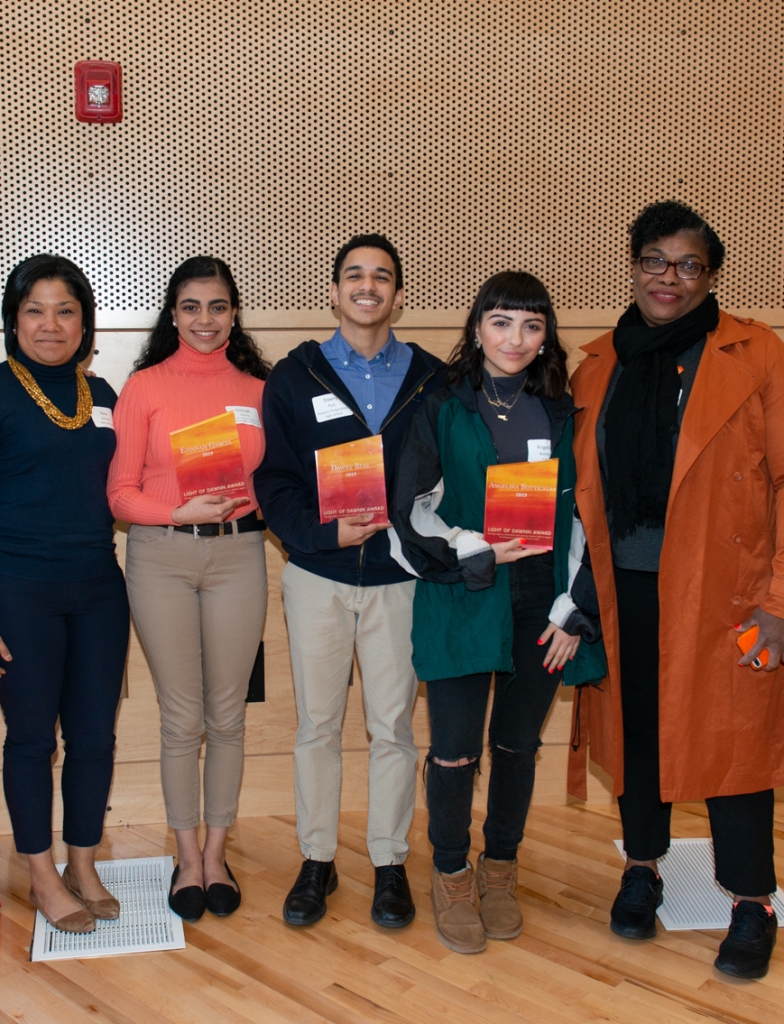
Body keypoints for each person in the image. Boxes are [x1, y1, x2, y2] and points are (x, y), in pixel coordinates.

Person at [570, 200, 783, 979]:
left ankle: (752, 902)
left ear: (711, 275)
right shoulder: (600, 363)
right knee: (638, 732)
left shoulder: (756, 354)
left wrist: (779, 603)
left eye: (689, 264)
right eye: (656, 260)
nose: (670, 277)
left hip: (727, 592)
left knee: (734, 743)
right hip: (625, 585)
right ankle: (642, 869)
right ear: (633, 266)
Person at [391, 271, 606, 953]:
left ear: (546, 336)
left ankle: (501, 867)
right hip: (463, 592)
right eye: (502, 321)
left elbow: (593, 516)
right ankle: (452, 872)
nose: (516, 338)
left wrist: (575, 610)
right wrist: (475, 547)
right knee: (454, 751)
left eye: (531, 325)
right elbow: (409, 511)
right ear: (477, 328)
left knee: (517, 746)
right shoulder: (441, 405)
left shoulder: (565, 412)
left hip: (542, 602)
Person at [254, 234, 444, 929]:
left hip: (399, 578)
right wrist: (319, 534)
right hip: (317, 574)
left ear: (399, 295)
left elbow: (448, 478)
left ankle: (390, 862)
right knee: (317, 725)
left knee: (393, 726)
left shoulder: (431, 378)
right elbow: (273, 480)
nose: (368, 286)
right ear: (333, 292)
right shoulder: (294, 376)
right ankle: (317, 859)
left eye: (382, 276)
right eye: (355, 275)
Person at [0, 254, 129, 934]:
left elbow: (128, 486)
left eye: (65, 311)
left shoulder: (103, 395)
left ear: (85, 324)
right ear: (13, 320)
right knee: (30, 740)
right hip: (17, 592)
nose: (50, 325)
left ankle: (83, 863)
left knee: (94, 737)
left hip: (99, 590)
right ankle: (42, 874)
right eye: (35, 311)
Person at [108, 256, 269, 921]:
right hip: (162, 558)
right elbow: (120, 494)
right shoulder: (144, 387)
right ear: (173, 315)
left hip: (239, 557)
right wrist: (177, 511)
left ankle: (217, 854)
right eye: (192, 307)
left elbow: (275, 482)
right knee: (182, 718)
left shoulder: (259, 390)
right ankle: (186, 857)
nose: (206, 319)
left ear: (234, 314)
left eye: (218, 306)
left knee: (228, 715)